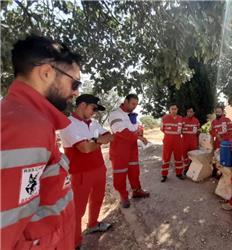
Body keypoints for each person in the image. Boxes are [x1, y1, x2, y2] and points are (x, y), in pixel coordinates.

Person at [1, 35, 81, 249]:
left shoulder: (24, 119)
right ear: (46, 73)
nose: (76, 92)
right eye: (74, 82)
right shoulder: (25, 127)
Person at [59, 94, 113, 249]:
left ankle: (93, 224)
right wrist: (98, 141)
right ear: (82, 105)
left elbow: (110, 136)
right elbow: (85, 148)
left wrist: (95, 141)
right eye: (93, 108)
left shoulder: (94, 123)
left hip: (99, 168)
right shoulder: (68, 123)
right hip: (80, 173)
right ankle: (75, 243)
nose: (95, 112)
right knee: (77, 210)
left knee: (97, 198)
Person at [109, 94, 149, 209]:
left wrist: (140, 131)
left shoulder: (133, 115)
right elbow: (121, 132)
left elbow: (138, 128)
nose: (135, 107)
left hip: (132, 148)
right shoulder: (115, 114)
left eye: (136, 104)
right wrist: (138, 136)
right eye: (133, 104)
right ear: (125, 101)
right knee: (120, 173)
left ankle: (136, 190)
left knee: (134, 171)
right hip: (119, 149)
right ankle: (123, 196)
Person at [160, 103, 184, 182]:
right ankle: (164, 175)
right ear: (169, 110)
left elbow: (182, 129)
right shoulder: (164, 118)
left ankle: (179, 173)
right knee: (166, 158)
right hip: (168, 141)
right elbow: (162, 129)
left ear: (177, 110)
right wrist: (169, 134)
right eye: (172, 109)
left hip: (178, 141)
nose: (174, 110)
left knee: (178, 158)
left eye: (175, 109)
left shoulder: (181, 118)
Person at [182, 106, 200, 174]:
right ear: (186, 112)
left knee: (193, 157)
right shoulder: (183, 120)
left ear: (193, 113)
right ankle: (185, 169)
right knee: (185, 156)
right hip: (184, 141)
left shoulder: (196, 121)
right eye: (188, 111)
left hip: (193, 142)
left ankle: (192, 170)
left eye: (191, 112)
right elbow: (179, 131)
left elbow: (198, 132)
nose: (189, 113)